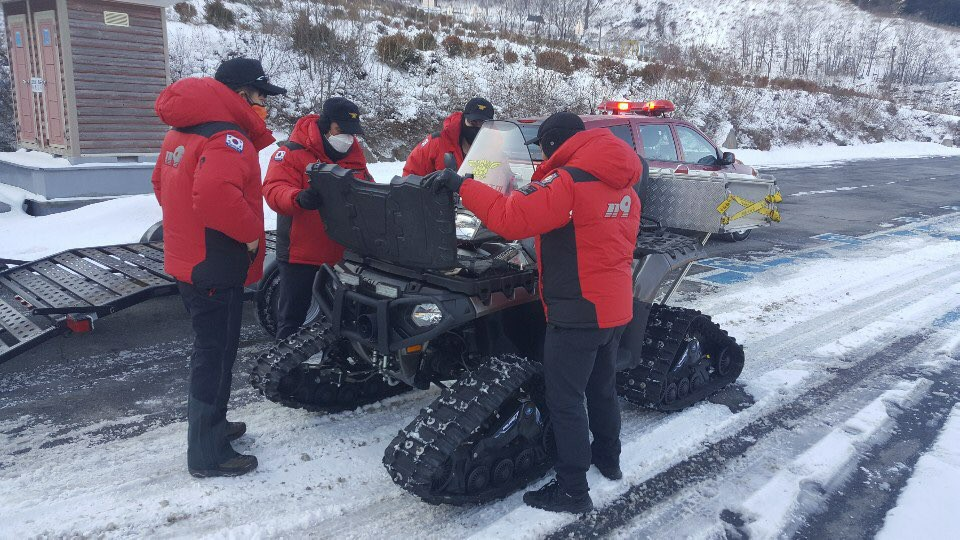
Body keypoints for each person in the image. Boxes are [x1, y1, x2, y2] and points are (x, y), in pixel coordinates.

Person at [426, 112, 644, 513]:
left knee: (565, 400)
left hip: (577, 311)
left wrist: (463, 184)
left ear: (550, 145)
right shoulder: (625, 184)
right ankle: (608, 460)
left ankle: (572, 491)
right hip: (614, 305)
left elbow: (511, 219)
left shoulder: (568, 182)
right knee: (601, 389)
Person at [152, 57, 286, 477]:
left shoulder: (182, 131)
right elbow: (213, 194)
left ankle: (215, 425)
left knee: (220, 349)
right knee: (212, 355)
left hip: (191, 258)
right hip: (215, 262)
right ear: (242, 93)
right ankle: (207, 454)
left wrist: (189, 228)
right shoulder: (227, 137)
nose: (264, 103)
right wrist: (248, 234)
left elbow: (161, 184)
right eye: (261, 95)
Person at [262, 97, 372, 340]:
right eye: (341, 130)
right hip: (301, 255)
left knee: (344, 319)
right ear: (325, 125)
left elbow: (369, 189)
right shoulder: (291, 153)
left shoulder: (354, 157)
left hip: (344, 255)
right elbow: (273, 189)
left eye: (352, 132)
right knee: (292, 319)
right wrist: (298, 197)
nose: (347, 138)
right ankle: (286, 372)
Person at [402, 97, 495, 177]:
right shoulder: (437, 142)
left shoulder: (496, 148)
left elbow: (504, 181)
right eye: (473, 122)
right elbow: (410, 175)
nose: (477, 127)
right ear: (464, 119)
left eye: (483, 124)